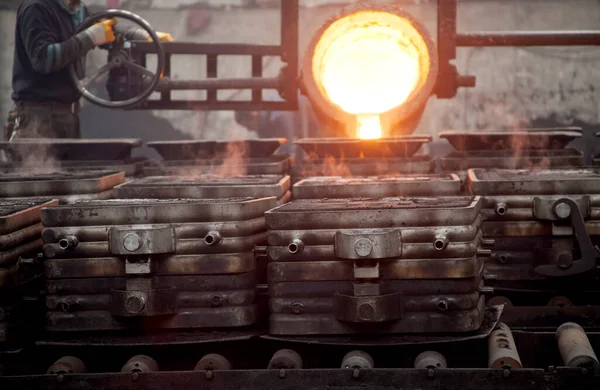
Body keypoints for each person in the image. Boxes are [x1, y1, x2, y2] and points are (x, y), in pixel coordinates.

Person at [2, 0, 172, 140]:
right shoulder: (36, 8)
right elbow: (43, 59)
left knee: (68, 179)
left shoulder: (77, 9)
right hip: (35, 121)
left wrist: (143, 35)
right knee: (35, 178)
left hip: (68, 118)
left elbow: (107, 30)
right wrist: (89, 38)